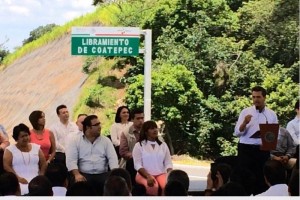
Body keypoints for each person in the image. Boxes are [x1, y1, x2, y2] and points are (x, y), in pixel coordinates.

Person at [234, 86, 278, 195]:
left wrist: (269, 135)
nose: (256, 100)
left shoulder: (271, 114)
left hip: (262, 150)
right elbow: (237, 133)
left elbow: (276, 134)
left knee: (261, 180)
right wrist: (244, 122)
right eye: (253, 97)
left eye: (258, 97)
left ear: (264, 97)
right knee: (244, 179)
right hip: (246, 149)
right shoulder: (245, 112)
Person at [65, 115, 118, 195]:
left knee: (114, 182)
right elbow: (71, 160)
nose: (99, 127)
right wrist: (76, 174)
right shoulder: (75, 140)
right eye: (96, 125)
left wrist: (114, 174)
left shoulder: (106, 140)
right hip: (83, 174)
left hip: (102, 174)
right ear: (88, 127)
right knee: (77, 184)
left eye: (99, 124)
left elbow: (113, 158)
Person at [3, 123, 47, 195]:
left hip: (37, 183)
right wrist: (18, 178)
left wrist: (41, 176)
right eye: (22, 136)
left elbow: (43, 164)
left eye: (26, 135)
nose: (25, 138)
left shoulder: (36, 147)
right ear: (16, 138)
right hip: (18, 183)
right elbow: (6, 166)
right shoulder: (9, 150)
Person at [132, 120, 173, 196]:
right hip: (143, 175)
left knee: (168, 186)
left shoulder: (163, 145)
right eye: (151, 128)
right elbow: (137, 164)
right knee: (153, 186)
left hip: (160, 173)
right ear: (146, 132)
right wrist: (148, 176)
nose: (155, 130)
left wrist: (170, 174)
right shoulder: (139, 145)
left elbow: (168, 162)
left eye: (155, 128)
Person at [119, 108, 144, 185]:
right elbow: (123, 152)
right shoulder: (126, 132)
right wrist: (137, 156)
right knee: (132, 163)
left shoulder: (149, 130)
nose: (140, 120)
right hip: (131, 163)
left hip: (148, 161)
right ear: (132, 119)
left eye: (142, 118)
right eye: (138, 118)